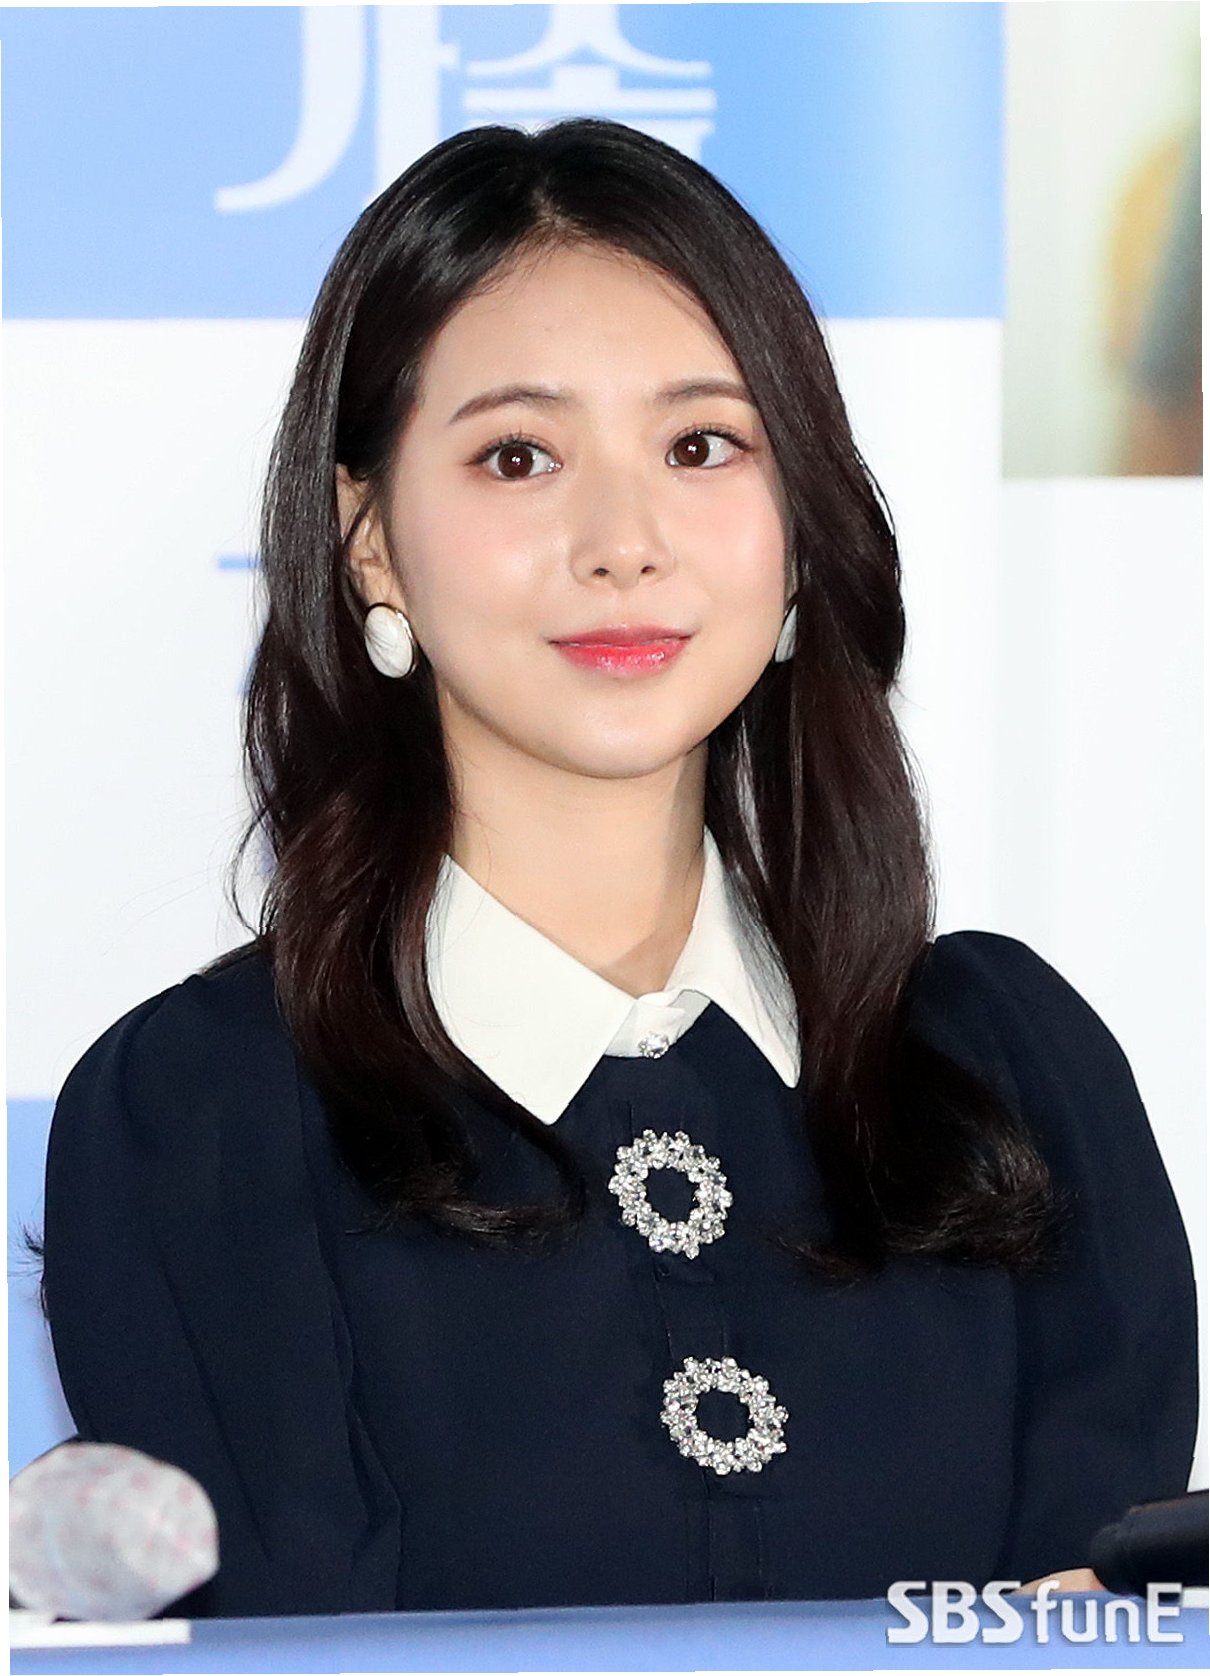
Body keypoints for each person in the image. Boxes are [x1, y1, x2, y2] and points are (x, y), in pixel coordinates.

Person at [38, 118, 1197, 1619]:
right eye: (517, 457)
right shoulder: (202, 1114)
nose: (623, 542)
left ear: (798, 530)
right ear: (370, 541)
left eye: (701, 446)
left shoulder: (1007, 1072)